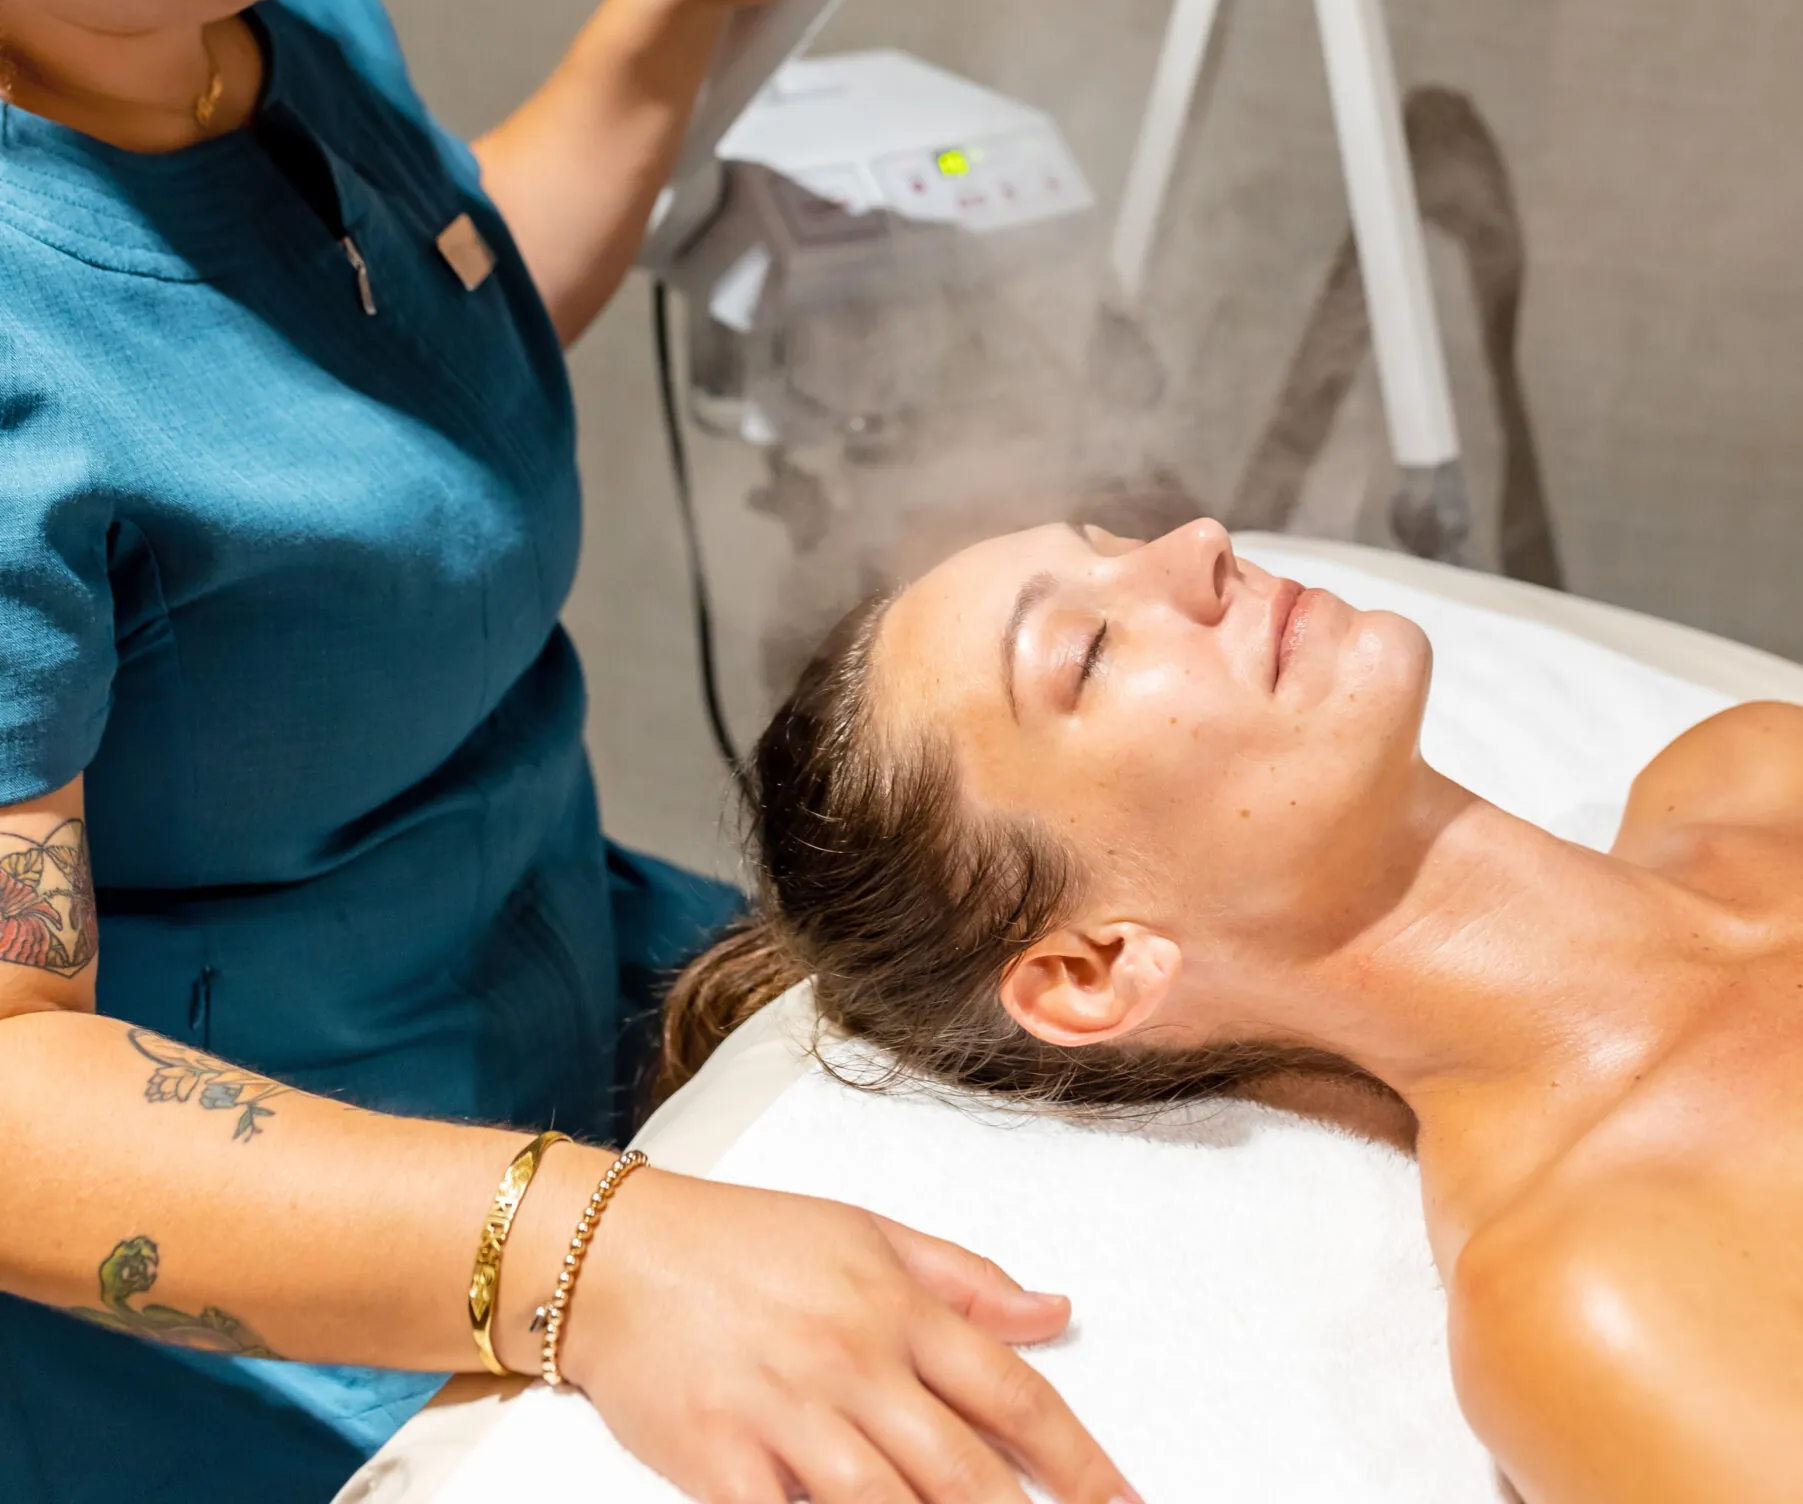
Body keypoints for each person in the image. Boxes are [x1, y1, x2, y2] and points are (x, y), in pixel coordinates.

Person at [0, 0, 1136, 1504]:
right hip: (266, 1275)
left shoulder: (261, 14)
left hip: (547, 991)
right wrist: (591, 1256)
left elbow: (408, 320)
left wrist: (679, 3)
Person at [666, 512, 1803, 1503]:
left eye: (1115, 539)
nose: (1200, 545)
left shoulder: (1747, 768)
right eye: (1088, 649)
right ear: (1095, 970)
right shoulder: (1585, 1294)